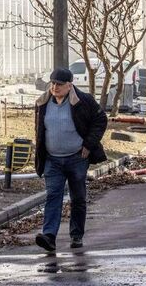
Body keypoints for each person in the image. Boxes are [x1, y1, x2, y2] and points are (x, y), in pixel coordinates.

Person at [33, 66, 108, 252]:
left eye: (59, 84)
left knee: (78, 198)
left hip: (77, 158)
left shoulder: (83, 100)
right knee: (53, 196)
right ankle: (49, 236)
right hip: (52, 160)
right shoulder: (43, 102)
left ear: (69, 85)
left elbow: (101, 119)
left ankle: (76, 235)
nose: (55, 87)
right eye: (52, 83)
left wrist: (89, 145)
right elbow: (40, 130)